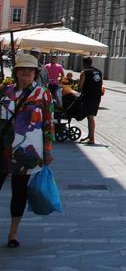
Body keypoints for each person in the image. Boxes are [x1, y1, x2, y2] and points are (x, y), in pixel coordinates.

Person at [0, 53, 55, 247]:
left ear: (35, 73)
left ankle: (13, 233)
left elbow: (48, 124)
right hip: (3, 149)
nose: (26, 74)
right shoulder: (5, 92)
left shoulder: (43, 94)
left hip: (27, 151)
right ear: (16, 72)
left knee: (19, 191)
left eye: (30, 71)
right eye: (22, 70)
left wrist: (48, 150)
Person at [78, 57, 103, 144]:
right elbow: (100, 84)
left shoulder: (84, 72)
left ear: (83, 63)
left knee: (90, 117)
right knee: (90, 116)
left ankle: (92, 138)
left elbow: (80, 87)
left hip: (88, 96)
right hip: (97, 97)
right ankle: (89, 136)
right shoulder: (99, 72)